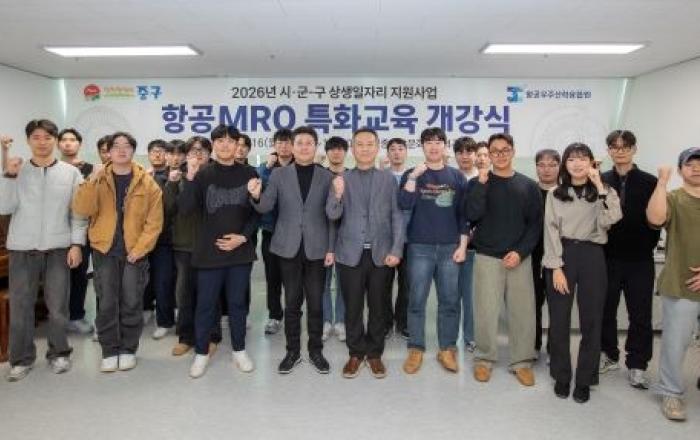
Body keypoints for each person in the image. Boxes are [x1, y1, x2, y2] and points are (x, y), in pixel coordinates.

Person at [0, 120, 87, 381]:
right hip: (22, 249)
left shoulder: (70, 173)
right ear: (28, 140)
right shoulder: (17, 169)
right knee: (21, 306)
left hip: (58, 248)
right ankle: (21, 359)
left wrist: (76, 244)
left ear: (56, 141)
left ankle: (59, 353)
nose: (42, 142)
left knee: (58, 307)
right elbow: (4, 207)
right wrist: (8, 176)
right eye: (36, 137)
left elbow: (79, 213)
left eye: (48, 137)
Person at [72, 131, 163, 373]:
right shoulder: (98, 178)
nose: (121, 150)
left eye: (127, 146)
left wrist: (140, 249)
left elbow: (154, 223)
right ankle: (110, 350)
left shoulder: (147, 183)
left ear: (133, 150)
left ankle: (128, 349)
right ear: (108, 152)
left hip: (135, 253)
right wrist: (91, 181)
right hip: (104, 251)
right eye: (116, 146)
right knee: (106, 303)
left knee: (132, 302)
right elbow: (82, 208)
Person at [248, 126, 335, 375]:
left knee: (316, 303)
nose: (304, 147)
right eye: (300, 143)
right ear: (292, 147)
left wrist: (331, 248)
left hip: (317, 248)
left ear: (316, 147)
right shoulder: (278, 175)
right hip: (287, 247)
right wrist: (256, 196)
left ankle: (316, 350)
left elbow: (332, 217)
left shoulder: (327, 176)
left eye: (309, 143)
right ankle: (292, 352)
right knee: (292, 302)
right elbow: (266, 206)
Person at [543, 143, 622, 403]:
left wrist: (600, 188)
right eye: (572, 159)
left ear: (591, 162)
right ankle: (562, 376)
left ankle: (585, 379)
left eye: (582, 159)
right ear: (565, 164)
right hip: (563, 255)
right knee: (559, 319)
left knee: (592, 320)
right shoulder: (555, 194)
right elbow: (550, 231)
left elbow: (612, 218)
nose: (577, 164)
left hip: (592, 255)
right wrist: (556, 267)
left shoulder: (603, 191)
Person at [178, 125, 259, 378]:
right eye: (220, 141)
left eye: (230, 141)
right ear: (213, 145)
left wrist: (242, 237)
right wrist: (190, 176)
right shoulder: (203, 174)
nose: (225, 145)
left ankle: (239, 350)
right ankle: (201, 353)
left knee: (237, 304)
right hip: (208, 253)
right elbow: (185, 209)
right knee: (205, 304)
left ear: (238, 145)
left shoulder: (249, 173)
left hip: (239, 252)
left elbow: (256, 214)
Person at [326, 128, 404, 378]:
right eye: (360, 144)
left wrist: (396, 249)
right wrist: (338, 194)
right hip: (349, 254)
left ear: (377, 147)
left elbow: (397, 216)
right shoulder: (341, 178)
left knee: (379, 307)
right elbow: (332, 215)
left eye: (370, 144)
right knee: (353, 307)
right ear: (353, 148)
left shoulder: (388, 179)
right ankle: (356, 353)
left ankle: (375, 353)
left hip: (381, 254)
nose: (365, 148)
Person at [466, 133, 542, 386]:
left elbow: (535, 225)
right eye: (494, 151)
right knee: (486, 312)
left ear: (513, 151)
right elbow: (471, 214)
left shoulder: (528, 186)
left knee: (523, 312)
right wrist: (482, 183)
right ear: (488, 154)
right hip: (487, 257)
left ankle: (522, 362)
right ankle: (484, 359)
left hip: (519, 258)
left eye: (505, 150)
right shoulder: (478, 183)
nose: (500, 155)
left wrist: (520, 252)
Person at [399, 127, 468, 375]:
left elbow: (464, 216)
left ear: (445, 146)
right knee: (416, 300)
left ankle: (447, 349)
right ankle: (415, 348)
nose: (434, 146)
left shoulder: (457, 177)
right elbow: (403, 204)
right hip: (420, 247)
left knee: (449, 301)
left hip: (450, 248)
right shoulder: (412, 173)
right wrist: (413, 178)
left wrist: (462, 246)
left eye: (439, 142)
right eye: (428, 142)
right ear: (422, 146)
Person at [600, 130, 660, 389]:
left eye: (625, 146)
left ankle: (637, 364)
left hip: (640, 260)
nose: (620, 151)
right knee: (605, 310)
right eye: (614, 146)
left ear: (634, 149)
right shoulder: (600, 180)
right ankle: (609, 354)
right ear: (609, 151)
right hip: (607, 258)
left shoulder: (650, 182)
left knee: (641, 315)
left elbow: (658, 219)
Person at [647, 148, 700, 421]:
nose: (696, 168)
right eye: (690, 164)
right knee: (675, 343)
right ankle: (671, 392)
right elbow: (655, 219)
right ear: (680, 170)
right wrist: (662, 182)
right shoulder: (673, 198)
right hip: (680, 282)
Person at [166, 136, 222, 357]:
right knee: (185, 294)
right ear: (186, 155)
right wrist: (173, 184)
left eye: (202, 151)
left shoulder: (217, 176)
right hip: (185, 245)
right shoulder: (177, 177)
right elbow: (169, 209)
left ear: (209, 154)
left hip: (211, 245)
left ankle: (211, 336)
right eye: (192, 151)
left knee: (211, 293)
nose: (197, 155)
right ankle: (185, 337)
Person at [57, 128, 95, 335]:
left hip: (82, 230)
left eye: (72, 140)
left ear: (79, 144)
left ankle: (76, 316)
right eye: (64, 140)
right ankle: (57, 319)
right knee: (57, 279)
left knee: (79, 276)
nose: (68, 143)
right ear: (58, 144)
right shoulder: (53, 167)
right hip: (56, 231)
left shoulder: (90, 169)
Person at [257, 128, 294, 335]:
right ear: (274, 145)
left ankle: (292, 315)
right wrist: (268, 168)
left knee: (293, 279)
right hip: (271, 231)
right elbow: (257, 191)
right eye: (280, 142)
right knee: (273, 277)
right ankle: (274, 316)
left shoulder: (300, 165)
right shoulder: (265, 167)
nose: (284, 146)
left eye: (287, 142)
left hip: (294, 233)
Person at [146, 139, 177, 340]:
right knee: (146, 280)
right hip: (145, 237)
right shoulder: (141, 175)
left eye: (161, 151)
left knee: (164, 281)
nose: (157, 154)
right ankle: (146, 310)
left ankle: (165, 321)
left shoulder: (173, 175)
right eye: (153, 151)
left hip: (166, 238)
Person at [532, 148, 560, 357]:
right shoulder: (529, 192)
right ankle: (532, 346)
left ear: (560, 167)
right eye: (542, 165)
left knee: (557, 307)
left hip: (558, 259)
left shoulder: (565, 193)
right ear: (536, 168)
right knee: (532, 305)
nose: (547, 169)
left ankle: (554, 349)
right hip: (531, 257)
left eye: (552, 165)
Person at [453, 136, 479, 351]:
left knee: (471, 296)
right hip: (450, 246)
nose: (465, 156)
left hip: (476, 248)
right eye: (460, 152)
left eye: (469, 151)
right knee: (450, 296)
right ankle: (450, 339)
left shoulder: (484, 179)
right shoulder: (450, 178)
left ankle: (471, 337)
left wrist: (474, 233)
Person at [383, 137, 410, 338]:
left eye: (401, 149)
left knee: (407, 285)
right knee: (382, 285)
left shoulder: (415, 176)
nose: (397, 152)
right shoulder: (381, 176)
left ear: (406, 152)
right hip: (385, 239)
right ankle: (385, 323)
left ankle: (403, 322)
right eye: (392, 149)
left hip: (409, 239)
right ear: (387, 153)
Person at [322, 136, 347, 342]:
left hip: (346, 238)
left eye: (340, 149)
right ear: (327, 152)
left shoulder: (352, 176)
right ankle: (325, 320)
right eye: (332, 149)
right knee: (322, 282)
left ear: (345, 152)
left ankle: (340, 321)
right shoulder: (320, 176)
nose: (336, 152)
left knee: (344, 283)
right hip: (321, 236)